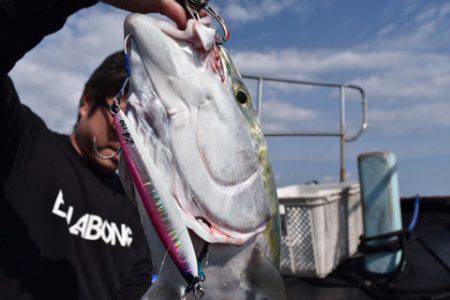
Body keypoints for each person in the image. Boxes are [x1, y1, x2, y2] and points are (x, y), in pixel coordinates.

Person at [0, 0, 188, 299]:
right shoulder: (22, 143)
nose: (128, 141)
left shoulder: (137, 211)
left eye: (143, 132)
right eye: (121, 123)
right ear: (87, 102)